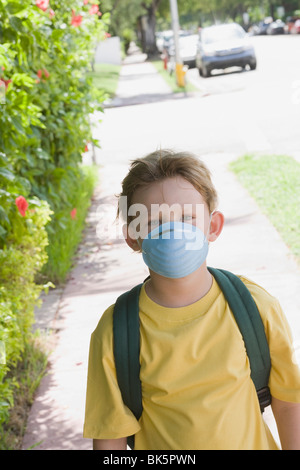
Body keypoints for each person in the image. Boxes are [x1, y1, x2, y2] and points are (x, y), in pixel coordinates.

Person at [83, 149, 300, 450]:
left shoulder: (254, 306)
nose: (173, 232)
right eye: (155, 221)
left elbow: (289, 403)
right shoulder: (115, 331)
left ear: (212, 227)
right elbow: (110, 436)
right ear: (133, 236)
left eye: (186, 218)